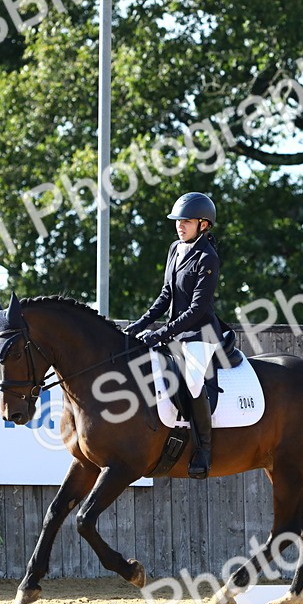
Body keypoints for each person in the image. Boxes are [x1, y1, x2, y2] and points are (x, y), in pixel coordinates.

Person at [124, 191, 225, 479]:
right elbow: (166, 294)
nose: (180, 225)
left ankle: (204, 449)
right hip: (175, 332)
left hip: (199, 334)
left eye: (187, 221)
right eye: (178, 220)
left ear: (203, 225)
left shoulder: (208, 258)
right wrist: (141, 324)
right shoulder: (175, 249)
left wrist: (161, 334)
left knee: (193, 384)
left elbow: (196, 310)